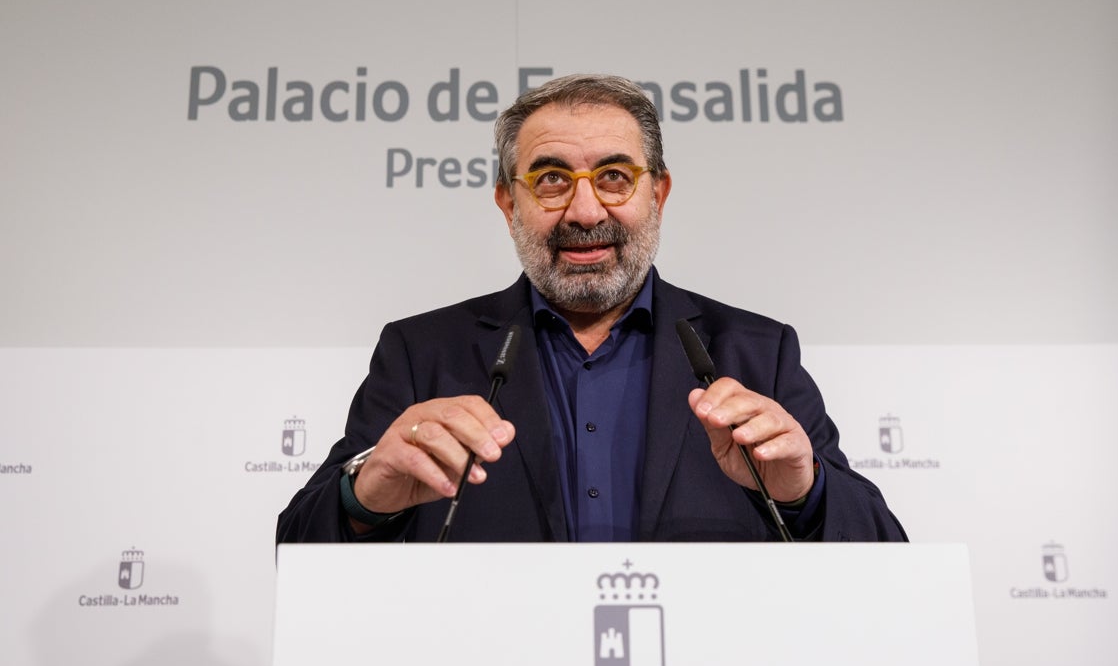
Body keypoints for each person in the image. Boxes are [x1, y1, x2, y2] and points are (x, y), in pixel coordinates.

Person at [277, 74, 905, 543]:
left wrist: (805, 492)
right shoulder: (422, 353)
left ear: (657, 192)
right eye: (550, 179)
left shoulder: (756, 351)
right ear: (506, 202)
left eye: (613, 177)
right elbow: (299, 546)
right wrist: (367, 497)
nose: (583, 212)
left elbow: (885, 553)